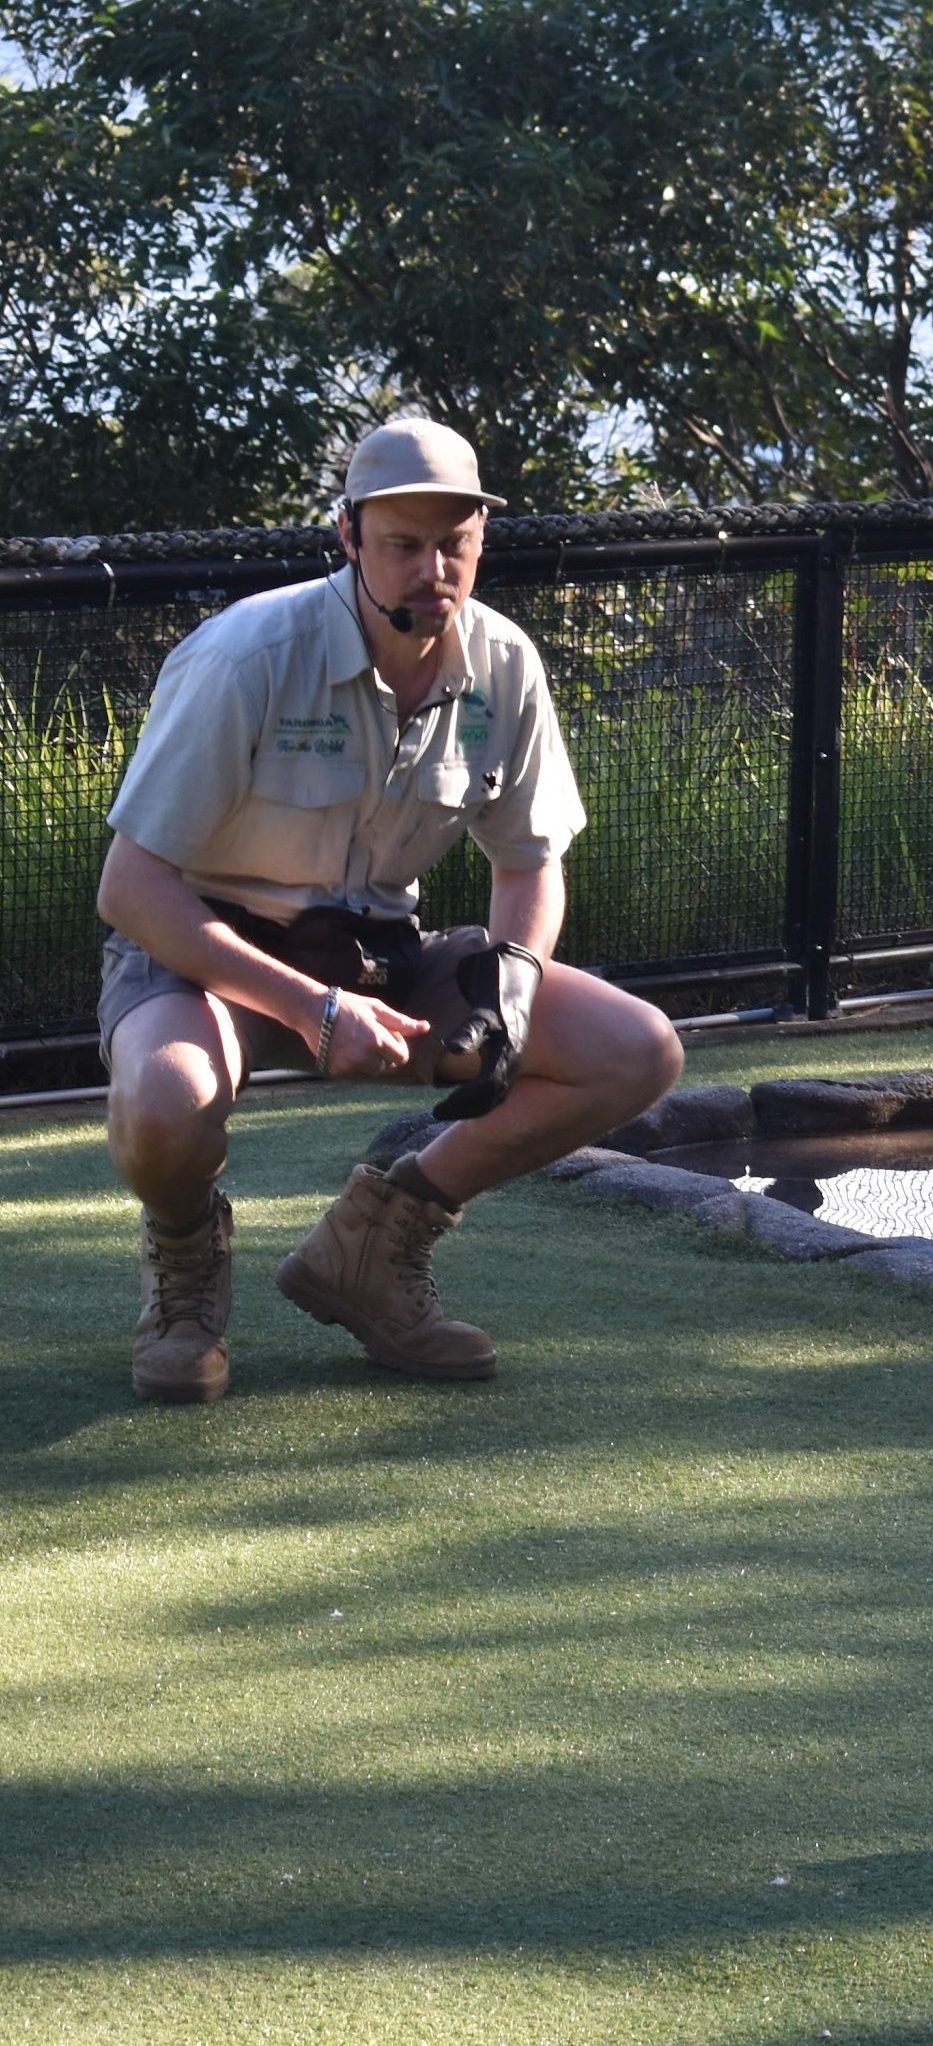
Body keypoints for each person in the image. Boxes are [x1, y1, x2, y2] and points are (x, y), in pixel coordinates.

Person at [96, 419, 684, 1403]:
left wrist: (510, 987)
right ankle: (186, 1262)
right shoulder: (248, 655)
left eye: (452, 542)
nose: (431, 567)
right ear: (349, 538)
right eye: (403, 543)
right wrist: (309, 1009)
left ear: (481, 540)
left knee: (638, 1049)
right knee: (164, 1102)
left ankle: (375, 1245)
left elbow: (531, 861)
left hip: (380, 957)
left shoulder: (504, 665)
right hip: (202, 953)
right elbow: (131, 887)